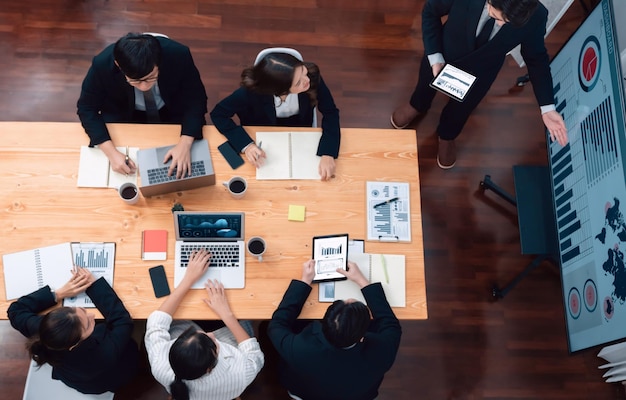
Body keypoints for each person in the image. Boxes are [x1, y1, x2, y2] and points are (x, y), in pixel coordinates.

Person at [390, 0, 568, 169]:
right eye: (497, 17)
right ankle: (417, 105)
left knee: (462, 109)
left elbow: (536, 58)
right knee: (425, 84)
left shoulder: (537, 15)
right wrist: (435, 58)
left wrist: (547, 107)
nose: (500, 25)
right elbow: (430, 11)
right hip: (443, 53)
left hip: (481, 72)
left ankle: (447, 134)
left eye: (508, 22)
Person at [77, 32, 208, 178]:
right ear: (118, 65)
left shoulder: (179, 54)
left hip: (171, 112)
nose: (144, 87)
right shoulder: (102, 64)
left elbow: (196, 99)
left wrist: (185, 143)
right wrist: (111, 153)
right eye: (135, 81)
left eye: (151, 78)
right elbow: (86, 108)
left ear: (160, 62)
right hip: (125, 116)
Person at [267, 259, 402, 400]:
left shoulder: (300, 348)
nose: (349, 298)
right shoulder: (383, 351)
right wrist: (362, 281)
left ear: (322, 324)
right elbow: (390, 323)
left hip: (304, 393)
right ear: (362, 336)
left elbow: (276, 325)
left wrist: (304, 281)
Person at [144, 250, 264, 400]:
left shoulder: (160, 364)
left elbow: (156, 323)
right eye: (213, 343)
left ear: (172, 351)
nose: (211, 334)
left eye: (193, 335)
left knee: (173, 320)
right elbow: (254, 354)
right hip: (229, 343)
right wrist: (226, 314)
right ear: (209, 368)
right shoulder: (240, 374)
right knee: (246, 322)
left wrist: (188, 279)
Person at [210, 51, 340, 181]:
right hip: (264, 136)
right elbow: (219, 114)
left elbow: (331, 112)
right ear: (279, 90)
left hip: (300, 133)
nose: (307, 81)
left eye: (303, 72)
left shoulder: (312, 76)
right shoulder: (249, 92)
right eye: (298, 83)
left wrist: (328, 152)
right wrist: (247, 145)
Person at [7, 267, 139, 394]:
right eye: (87, 324)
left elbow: (14, 311)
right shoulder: (103, 354)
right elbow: (122, 321)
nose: (92, 315)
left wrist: (58, 294)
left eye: (81, 310)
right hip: (108, 376)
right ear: (74, 344)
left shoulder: (44, 329)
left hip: (74, 375)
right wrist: (94, 286)